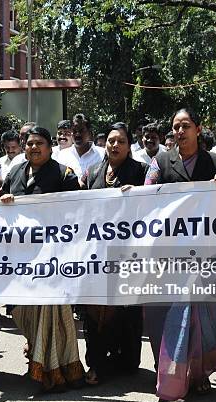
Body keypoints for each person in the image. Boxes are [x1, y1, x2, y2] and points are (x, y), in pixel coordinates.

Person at [143, 108, 216, 402]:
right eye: (176, 126)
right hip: (168, 253)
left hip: (205, 253)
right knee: (162, 313)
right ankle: (167, 370)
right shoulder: (161, 161)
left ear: (198, 128)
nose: (180, 131)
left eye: (186, 126)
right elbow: (147, 196)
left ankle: (200, 373)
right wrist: (131, 197)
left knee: (205, 314)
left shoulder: (215, 163)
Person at [0, 126, 84, 392]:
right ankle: (38, 360)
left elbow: (77, 212)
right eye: (29, 143)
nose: (33, 148)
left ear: (50, 147)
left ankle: (55, 372)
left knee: (51, 316)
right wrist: (5, 201)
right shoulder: (14, 172)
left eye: (39, 143)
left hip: (52, 260)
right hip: (20, 260)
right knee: (21, 311)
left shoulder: (63, 174)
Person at [81, 122, 148, 386]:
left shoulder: (141, 172)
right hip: (98, 252)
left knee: (126, 310)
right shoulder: (93, 171)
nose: (114, 145)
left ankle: (126, 359)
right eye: (110, 140)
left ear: (129, 145)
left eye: (120, 141)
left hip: (129, 251)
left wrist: (138, 196)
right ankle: (96, 363)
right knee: (96, 311)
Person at [57, 113, 105, 177]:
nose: (77, 134)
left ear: (89, 132)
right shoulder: (63, 156)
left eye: (81, 130)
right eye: (74, 131)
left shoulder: (103, 154)